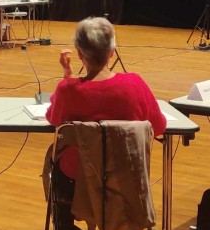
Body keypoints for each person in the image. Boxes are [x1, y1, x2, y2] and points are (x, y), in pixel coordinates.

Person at [46, 17, 167, 196]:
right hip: (124, 180)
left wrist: (67, 78)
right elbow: (159, 127)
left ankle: (63, 215)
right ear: (111, 53)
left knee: (53, 157)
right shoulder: (135, 84)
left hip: (77, 182)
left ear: (79, 54)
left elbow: (54, 119)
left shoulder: (67, 89)